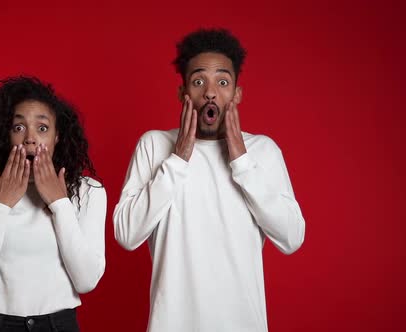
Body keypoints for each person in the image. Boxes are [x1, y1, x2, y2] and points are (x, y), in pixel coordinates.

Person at [113, 28, 305, 331]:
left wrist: (241, 160)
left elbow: (292, 238)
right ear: (183, 93)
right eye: (199, 81)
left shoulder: (263, 151)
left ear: (237, 94)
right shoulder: (154, 145)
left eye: (223, 82)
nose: (211, 92)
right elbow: (126, 234)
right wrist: (178, 158)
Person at [0, 76, 106, 332]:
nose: (30, 139)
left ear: (57, 138)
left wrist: (60, 202)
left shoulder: (88, 192)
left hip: (59, 325)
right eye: (18, 128)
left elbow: (86, 281)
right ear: (5, 135)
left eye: (42, 128)